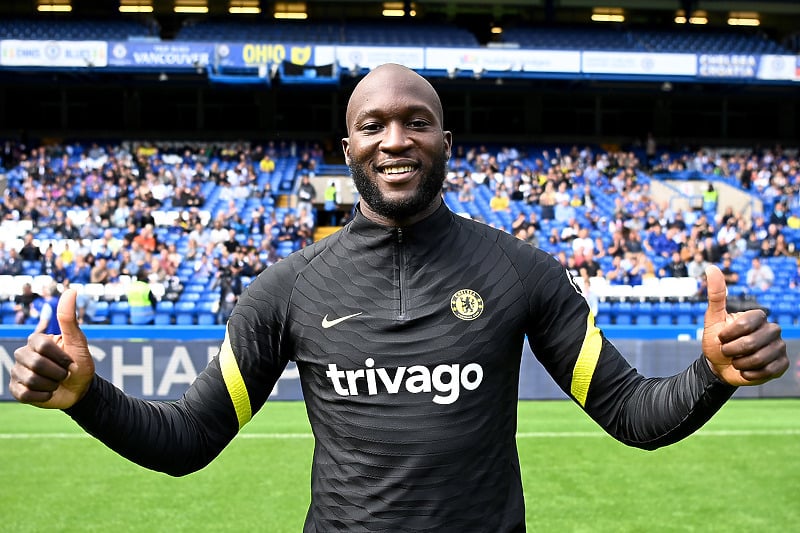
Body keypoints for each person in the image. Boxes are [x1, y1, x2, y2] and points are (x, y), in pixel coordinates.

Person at [9, 64, 789, 533]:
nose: (395, 139)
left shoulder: (522, 271)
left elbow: (633, 414)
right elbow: (186, 441)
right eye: (372, 124)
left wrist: (711, 375)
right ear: (346, 147)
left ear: (447, 142)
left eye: (417, 122)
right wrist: (88, 397)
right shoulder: (286, 289)